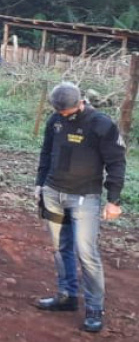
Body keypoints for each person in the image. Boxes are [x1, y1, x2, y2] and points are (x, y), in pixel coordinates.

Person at [34, 81, 126, 333]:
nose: (62, 114)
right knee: (59, 247)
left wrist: (114, 199)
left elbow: (117, 163)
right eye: (59, 111)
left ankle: (95, 309)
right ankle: (66, 296)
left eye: (65, 111)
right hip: (53, 194)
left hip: (85, 199)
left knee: (87, 254)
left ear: (80, 103)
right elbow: (46, 152)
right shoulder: (55, 121)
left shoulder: (102, 125)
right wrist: (40, 184)